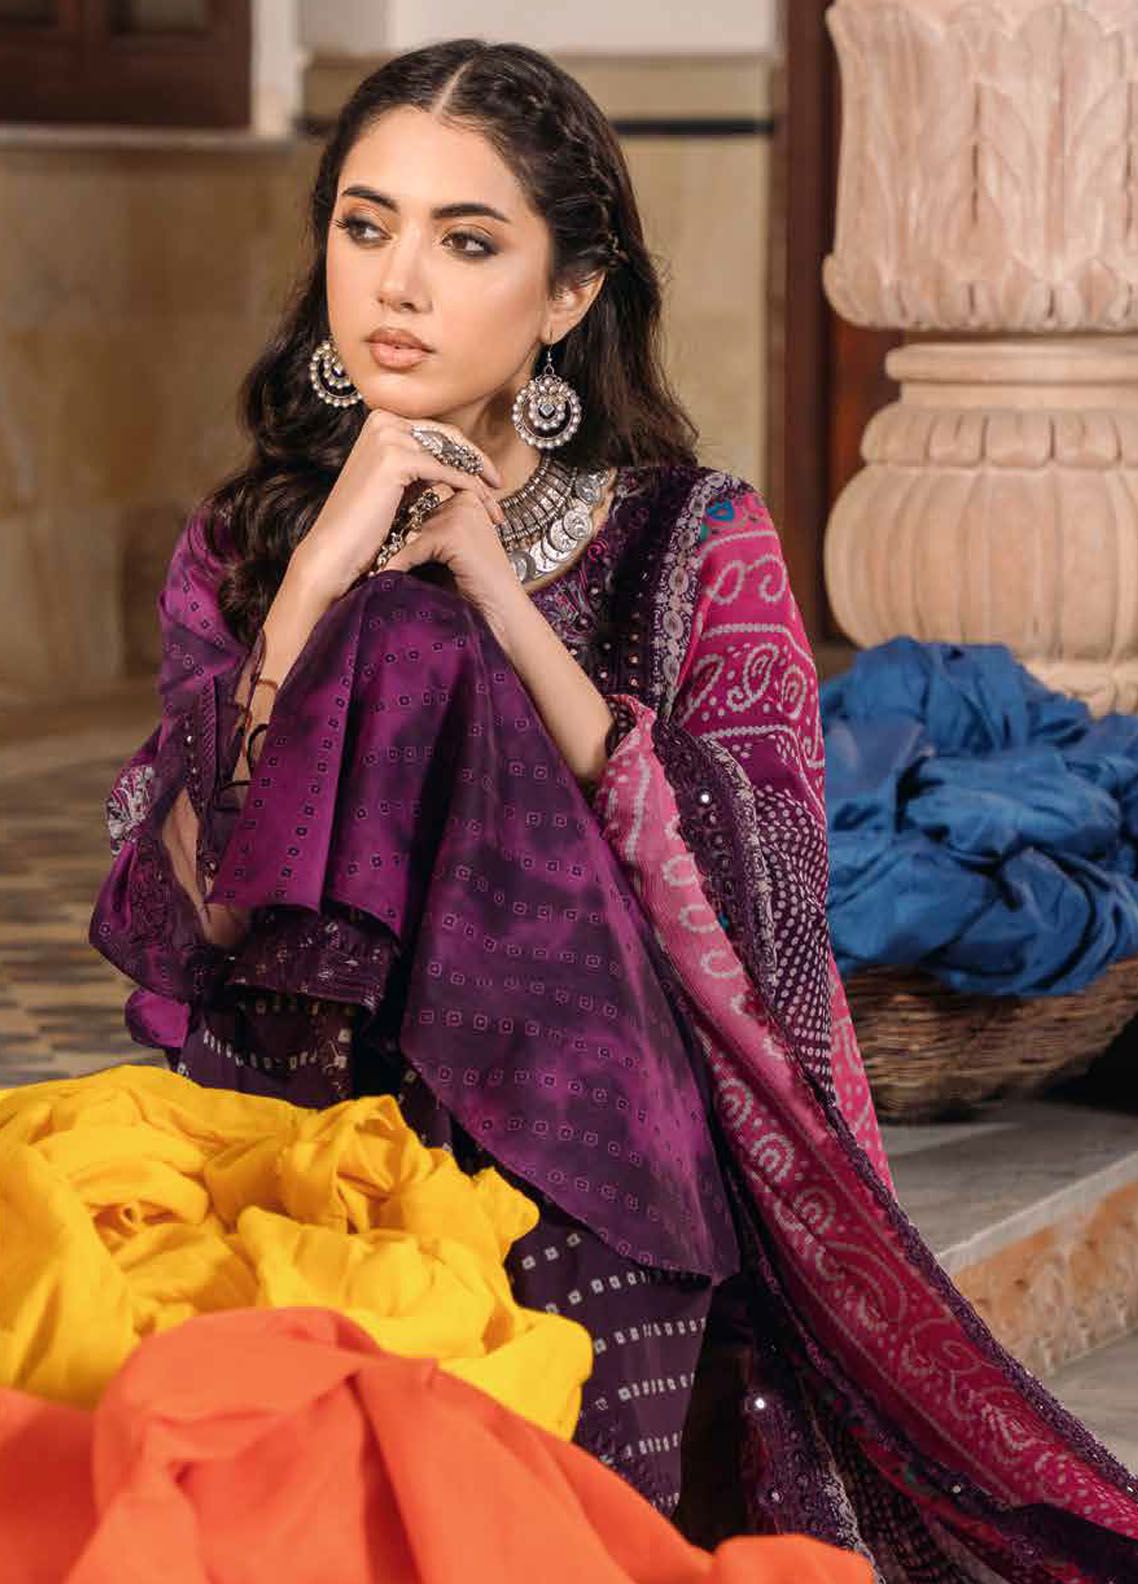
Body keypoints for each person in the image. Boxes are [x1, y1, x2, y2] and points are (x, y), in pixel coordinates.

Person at [90, 38, 1138, 1582]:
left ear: (567, 296)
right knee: (390, 642)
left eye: (466, 242)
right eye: (365, 226)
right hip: (323, 1105)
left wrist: (496, 595)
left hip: (602, 1127)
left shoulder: (692, 541)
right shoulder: (252, 540)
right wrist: (317, 579)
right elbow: (201, 911)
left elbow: (759, 899)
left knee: (426, 642)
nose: (396, 284)